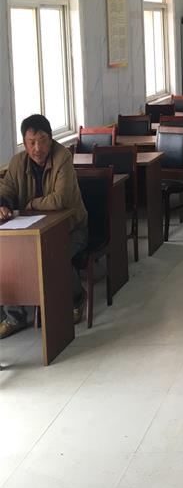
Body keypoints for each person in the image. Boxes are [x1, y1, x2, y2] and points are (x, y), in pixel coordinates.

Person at [0, 114, 88, 338]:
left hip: (72, 227)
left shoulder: (63, 157)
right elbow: (6, 190)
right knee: (9, 260)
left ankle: (76, 299)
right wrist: (2, 204)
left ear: (50, 139)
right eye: (31, 142)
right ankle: (14, 316)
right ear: (24, 143)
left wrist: (30, 204)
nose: (37, 148)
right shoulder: (17, 162)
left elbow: (60, 199)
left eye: (42, 141)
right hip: (33, 230)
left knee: (54, 256)